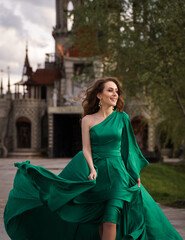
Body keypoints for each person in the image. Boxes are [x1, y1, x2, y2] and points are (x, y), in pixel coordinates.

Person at [4, 77, 182, 240]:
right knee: (100, 220)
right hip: (98, 175)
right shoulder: (88, 120)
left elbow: (129, 150)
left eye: (116, 91)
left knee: (111, 219)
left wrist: (135, 174)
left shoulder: (122, 118)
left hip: (119, 174)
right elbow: (86, 149)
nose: (115, 94)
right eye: (110, 90)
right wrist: (91, 169)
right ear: (99, 95)